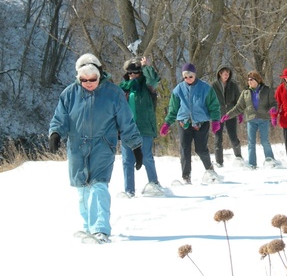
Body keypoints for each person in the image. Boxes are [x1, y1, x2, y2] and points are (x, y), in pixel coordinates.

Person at [48, 53, 144, 244]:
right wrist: (55, 134)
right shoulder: (69, 94)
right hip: (77, 146)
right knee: (82, 188)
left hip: (103, 145)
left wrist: (135, 146)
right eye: (84, 80)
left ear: (100, 74)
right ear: (78, 77)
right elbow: (60, 118)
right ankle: (88, 227)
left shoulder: (113, 93)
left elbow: (126, 121)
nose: (89, 83)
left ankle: (101, 228)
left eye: (93, 79)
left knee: (99, 185)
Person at [159, 63, 223, 184]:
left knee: (201, 149)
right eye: (185, 77)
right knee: (184, 149)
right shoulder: (178, 90)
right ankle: (186, 176)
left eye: (190, 76)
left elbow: (214, 106)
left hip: (201, 123)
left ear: (195, 75)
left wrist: (215, 120)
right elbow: (173, 109)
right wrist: (167, 123)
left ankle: (210, 170)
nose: (188, 79)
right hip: (184, 123)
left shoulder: (206, 88)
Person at [119, 56, 164, 197]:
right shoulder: (123, 88)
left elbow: (154, 79)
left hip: (144, 128)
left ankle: (154, 184)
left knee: (146, 158)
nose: (133, 75)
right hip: (127, 129)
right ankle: (129, 191)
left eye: (136, 72)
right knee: (127, 161)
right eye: (130, 73)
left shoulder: (147, 86)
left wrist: (146, 67)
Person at [221, 71, 278, 169]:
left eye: (251, 79)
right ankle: (252, 164)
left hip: (263, 119)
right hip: (251, 120)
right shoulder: (245, 92)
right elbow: (239, 107)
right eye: (248, 80)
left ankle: (270, 161)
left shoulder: (267, 90)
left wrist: (273, 110)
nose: (249, 81)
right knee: (251, 143)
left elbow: (273, 103)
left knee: (265, 141)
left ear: (257, 80)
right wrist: (228, 115)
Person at [211, 65, 243, 167]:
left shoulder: (233, 85)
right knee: (218, 139)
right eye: (225, 74)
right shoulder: (214, 86)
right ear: (220, 74)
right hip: (218, 115)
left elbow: (239, 99)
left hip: (231, 113)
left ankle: (238, 157)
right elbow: (210, 101)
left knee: (233, 136)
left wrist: (240, 113)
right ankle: (219, 162)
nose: (227, 76)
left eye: (228, 74)